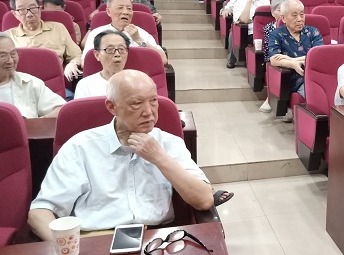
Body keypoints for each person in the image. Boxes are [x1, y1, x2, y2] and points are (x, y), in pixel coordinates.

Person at [28, 70, 214, 240]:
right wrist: (68, 249)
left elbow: (204, 200)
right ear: (112, 107)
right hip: (94, 239)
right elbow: (39, 213)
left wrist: (159, 158)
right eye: (136, 103)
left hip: (154, 238)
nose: (148, 112)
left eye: (153, 101)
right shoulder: (80, 147)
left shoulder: (169, 143)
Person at [4, 0, 82, 81]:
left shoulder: (58, 28)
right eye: (22, 10)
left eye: (33, 8)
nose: (29, 14)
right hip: (19, 85)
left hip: (53, 84)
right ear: (14, 14)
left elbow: (76, 54)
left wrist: (72, 64)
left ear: (40, 9)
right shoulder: (6, 37)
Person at [267, 0, 324, 120]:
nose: (300, 19)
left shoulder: (313, 32)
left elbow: (318, 56)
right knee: (315, 97)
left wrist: (290, 59)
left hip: (316, 75)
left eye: (302, 14)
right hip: (295, 79)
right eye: (294, 15)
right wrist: (294, 64)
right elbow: (274, 59)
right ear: (283, 18)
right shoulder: (276, 34)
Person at [82, 0, 167, 66]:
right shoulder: (96, 33)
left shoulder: (140, 33)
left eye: (129, 9)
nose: (125, 12)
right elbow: (85, 62)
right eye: (120, 8)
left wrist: (139, 40)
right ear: (108, 12)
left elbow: (162, 59)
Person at [0, 32, 65, 117]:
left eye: (13, 54)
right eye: (3, 56)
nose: (10, 61)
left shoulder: (30, 83)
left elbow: (61, 109)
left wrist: (37, 122)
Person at [220, 0, 270, 69]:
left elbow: (266, 16)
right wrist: (249, 1)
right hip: (250, 32)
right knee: (233, 31)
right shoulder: (239, 3)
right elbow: (244, 20)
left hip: (266, 30)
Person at [74, 31, 130, 99]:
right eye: (110, 49)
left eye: (121, 49)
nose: (117, 54)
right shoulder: (85, 85)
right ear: (97, 55)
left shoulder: (138, 82)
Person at [258, 0, 288, 113]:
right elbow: (269, 48)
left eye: (284, 10)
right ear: (272, 12)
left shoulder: (293, 26)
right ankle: (270, 98)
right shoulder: (268, 28)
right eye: (279, 10)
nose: (281, 13)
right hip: (273, 57)